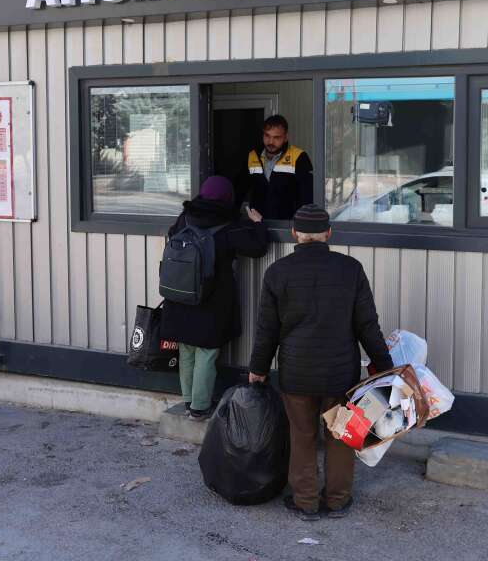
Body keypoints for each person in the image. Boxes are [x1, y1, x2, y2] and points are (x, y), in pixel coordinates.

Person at [247, 204, 393, 521]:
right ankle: (338, 500)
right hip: (340, 373)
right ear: (329, 233)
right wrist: (384, 365)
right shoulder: (350, 269)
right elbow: (367, 324)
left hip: (296, 373)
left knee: (302, 435)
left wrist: (258, 368)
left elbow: (266, 331)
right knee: (339, 435)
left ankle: (306, 502)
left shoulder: (277, 272)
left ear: (295, 234)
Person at [162, 176, 269, 420]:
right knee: (207, 352)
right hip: (212, 298)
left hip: (181, 294)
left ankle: (189, 402)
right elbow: (256, 247)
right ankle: (200, 408)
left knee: (186, 349)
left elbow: (171, 236)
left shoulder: (185, 217)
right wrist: (258, 223)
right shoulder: (228, 224)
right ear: (227, 198)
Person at [243, 115, 313, 220]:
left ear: (285, 138)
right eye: (267, 136)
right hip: (257, 224)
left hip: (287, 226)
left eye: (276, 137)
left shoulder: (298, 157)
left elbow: (307, 198)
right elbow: (243, 190)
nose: (270, 142)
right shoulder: (252, 156)